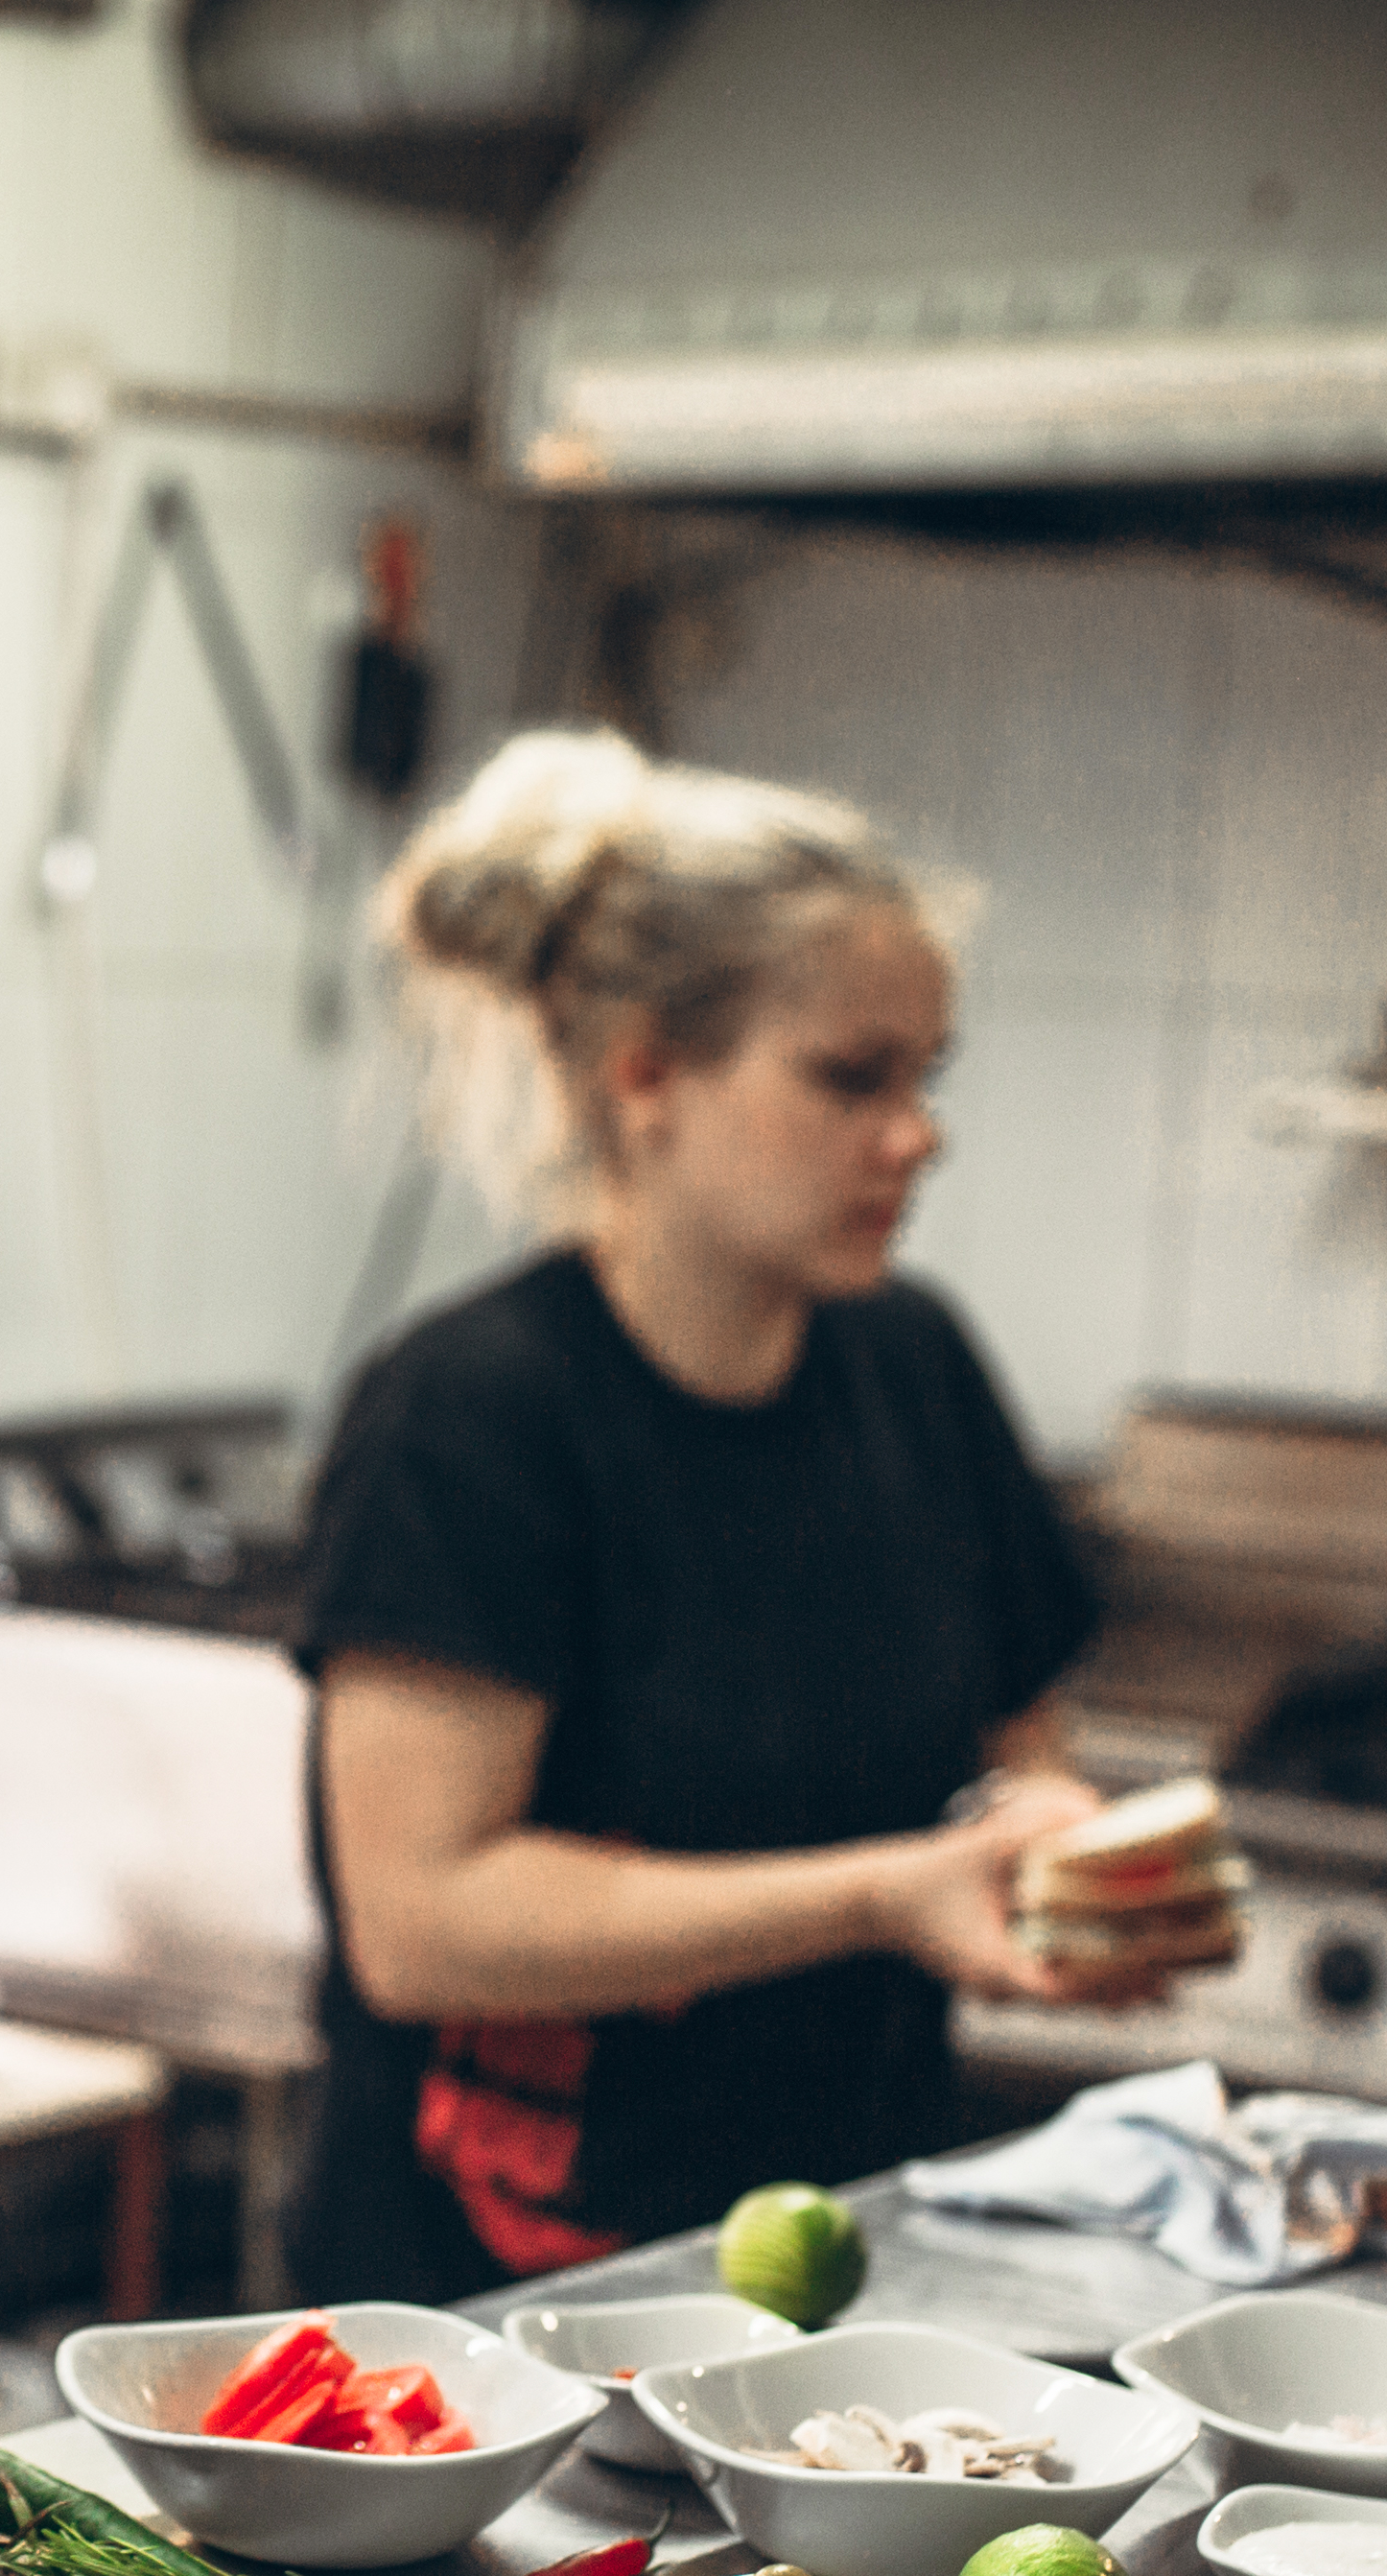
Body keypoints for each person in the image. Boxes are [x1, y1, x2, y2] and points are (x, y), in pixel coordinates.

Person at [292, 728, 1119, 2302]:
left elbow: (1023, 1742)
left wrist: (1063, 1861)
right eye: (852, 1078)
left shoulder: (914, 1368)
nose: (917, 1135)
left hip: (848, 2266)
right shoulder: (475, 1416)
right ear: (650, 1075)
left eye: (924, 1078)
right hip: (505, 2315)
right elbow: (422, 1919)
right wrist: (885, 1895)